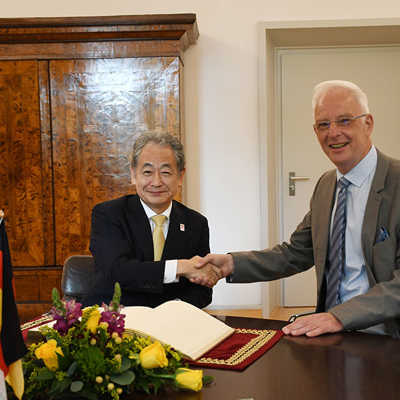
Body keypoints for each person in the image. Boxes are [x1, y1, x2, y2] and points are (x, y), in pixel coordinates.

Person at [194, 80, 400, 338]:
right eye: (323, 125)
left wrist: (339, 317)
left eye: (345, 121)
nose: (333, 133)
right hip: (331, 331)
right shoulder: (326, 185)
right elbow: (296, 253)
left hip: (387, 334)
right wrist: (231, 264)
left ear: (367, 123)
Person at [86, 132, 218, 308]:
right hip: (114, 320)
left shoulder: (196, 223)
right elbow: (117, 271)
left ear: (180, 176)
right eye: (147, 172)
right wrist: (181, 267)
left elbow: (202, 291)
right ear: (133, 174)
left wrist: (173, 311)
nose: (156, 182)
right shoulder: (109, 214)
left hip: (172, 324)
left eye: (165, 172)